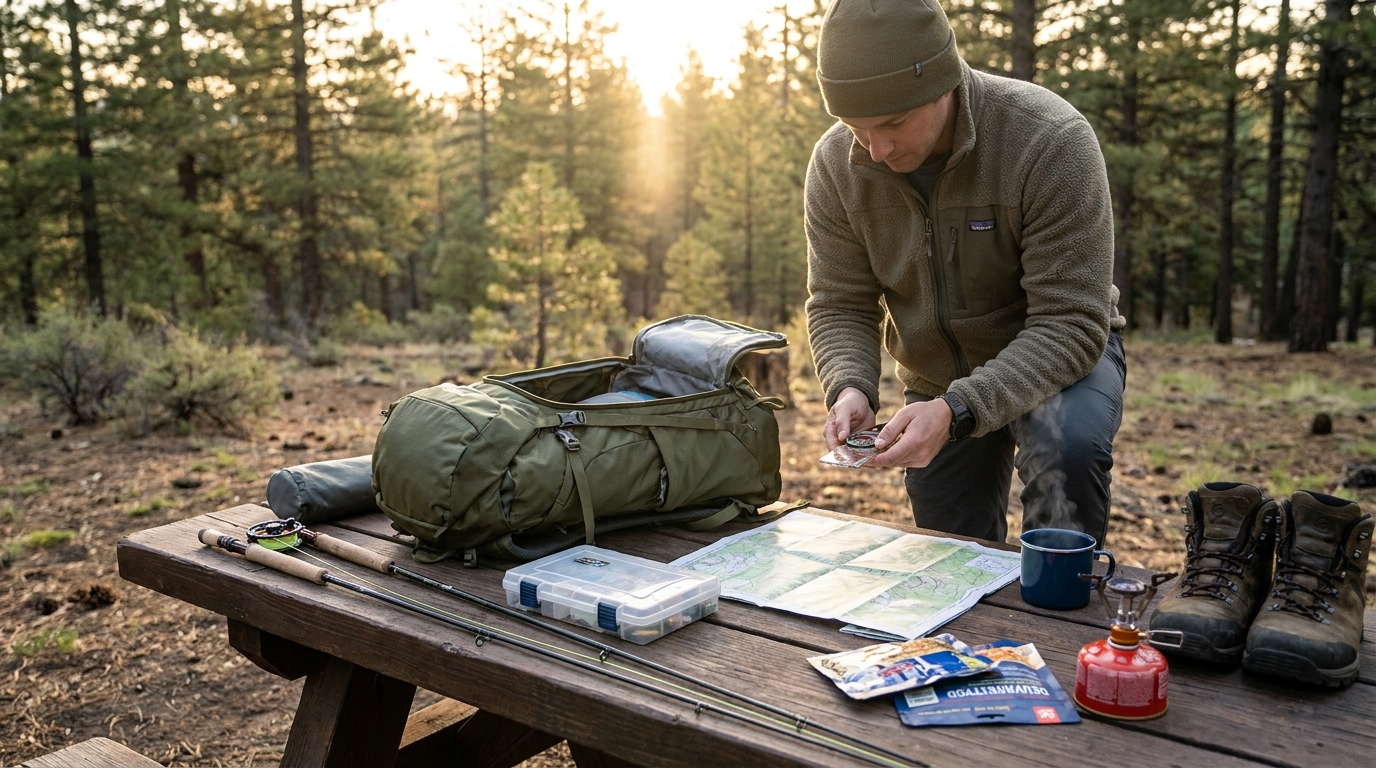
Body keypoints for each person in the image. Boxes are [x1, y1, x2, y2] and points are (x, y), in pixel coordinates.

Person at [805, 0, 1126, 545]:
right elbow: (840, 302)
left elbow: (1071, 321)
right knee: (948, 558)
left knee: (1065, 455)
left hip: (1059, 362)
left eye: (893, 124)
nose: (875, 151)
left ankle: (1061, 617)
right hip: (936, 381)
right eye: (855, 128)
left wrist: (960, 408)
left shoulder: (1048, 140)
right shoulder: (837, 165)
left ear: (944, 81)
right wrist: (849, 385)